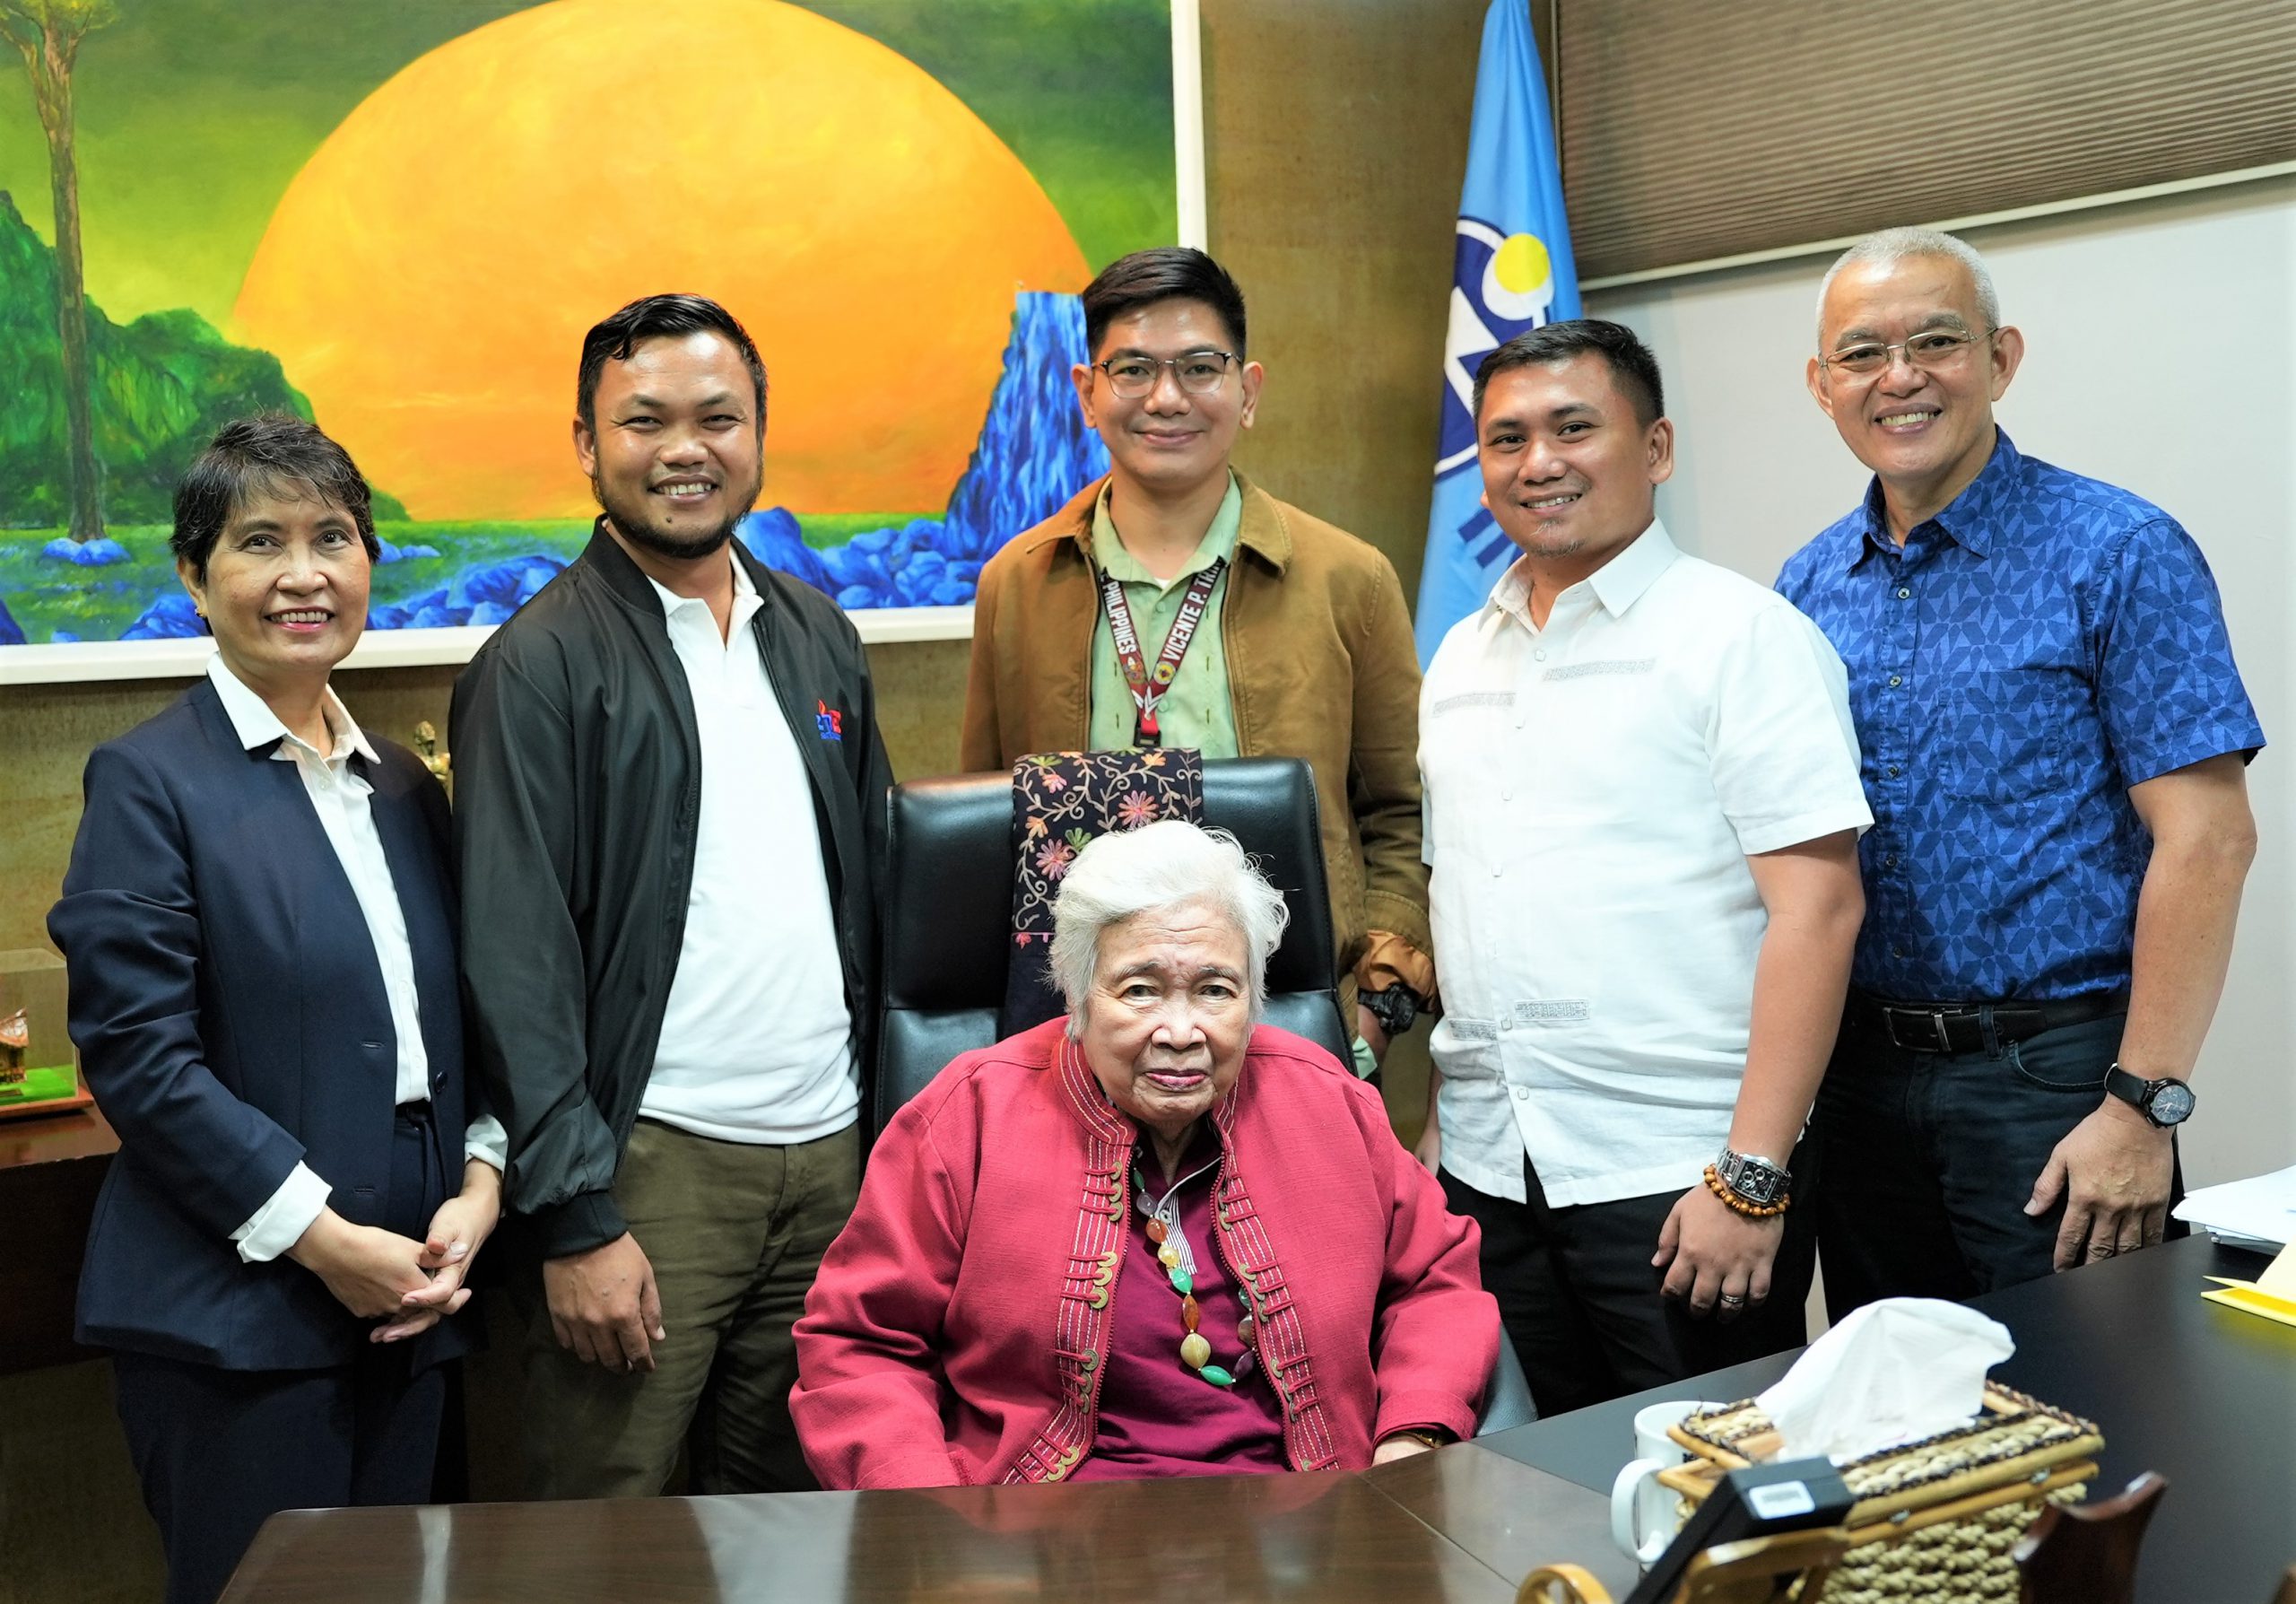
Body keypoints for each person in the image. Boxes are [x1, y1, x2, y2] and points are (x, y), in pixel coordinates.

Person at [48, 416, 504, 1604]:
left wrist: (482, 1184)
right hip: (238, 1330)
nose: (305, 574)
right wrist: (326, 1243)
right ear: (195, 577)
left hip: (413, 1309)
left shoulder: (402, 783)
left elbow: (460, 1015)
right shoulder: (148, 782)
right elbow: (140, 1061)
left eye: (333, 538)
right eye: (261, 542)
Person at [449, 293, 894, 1497]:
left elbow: (877, 891)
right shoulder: (534, 669)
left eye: (718, 417)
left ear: (759, 433)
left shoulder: (817, 636)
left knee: (794, 1526)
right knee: (605, 1529)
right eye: (644, 420)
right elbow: (513, 957)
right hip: (649, 1170)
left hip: (830, 1162)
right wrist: (576, 1213)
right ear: (589, 444)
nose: (685, 448)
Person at [1779, 228, 2263, 1312]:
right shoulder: (1806, 585)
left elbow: (2210, 839)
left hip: (2056, 1079)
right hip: (1859, 1082)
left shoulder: (2117, 549)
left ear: (2000, 359)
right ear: (1821, 386)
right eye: (1860, 354)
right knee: (1903, 1425)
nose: (1898, 378)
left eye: (1935, 342)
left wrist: (2141, 1106)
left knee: (2101, 1419)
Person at [1417, 321, 1872, 1418]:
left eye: (1576, 428)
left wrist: (1752, 1176)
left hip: (1679, 1177)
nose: (1539, 463)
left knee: (1711, 1511)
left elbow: (1819, 910)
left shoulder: (1741, 638)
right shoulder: (1462, 651)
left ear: (1655, 447)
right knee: (1530, 1494)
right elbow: (1466, 899)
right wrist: (1443, 1132)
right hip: (1492, 1168)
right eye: (1506, 438)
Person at [790, 820, 1496, 1487]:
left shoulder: (1328, 1101)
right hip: (1040, 1541)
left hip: (1313, 1520)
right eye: (1140, 989)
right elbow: (860, 1347)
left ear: (1254, 1000)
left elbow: (1435, 1283)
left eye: (1216, 990)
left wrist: (1413, 1437)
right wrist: (933, 1519)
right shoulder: (969, 1116)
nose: (1181, 1030)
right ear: (1077, 993)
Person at [961, 248, 1432, 1074]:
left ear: (1247, 391)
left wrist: (1376, 1003)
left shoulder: (1347, 578)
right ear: (1087, 393)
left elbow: (1404, 812)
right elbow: (988, 814)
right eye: (1134, 369)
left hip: (1291, 1014)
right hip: (1084, 1028)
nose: (1167, 397)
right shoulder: (1017, 583)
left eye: (1199, 368)